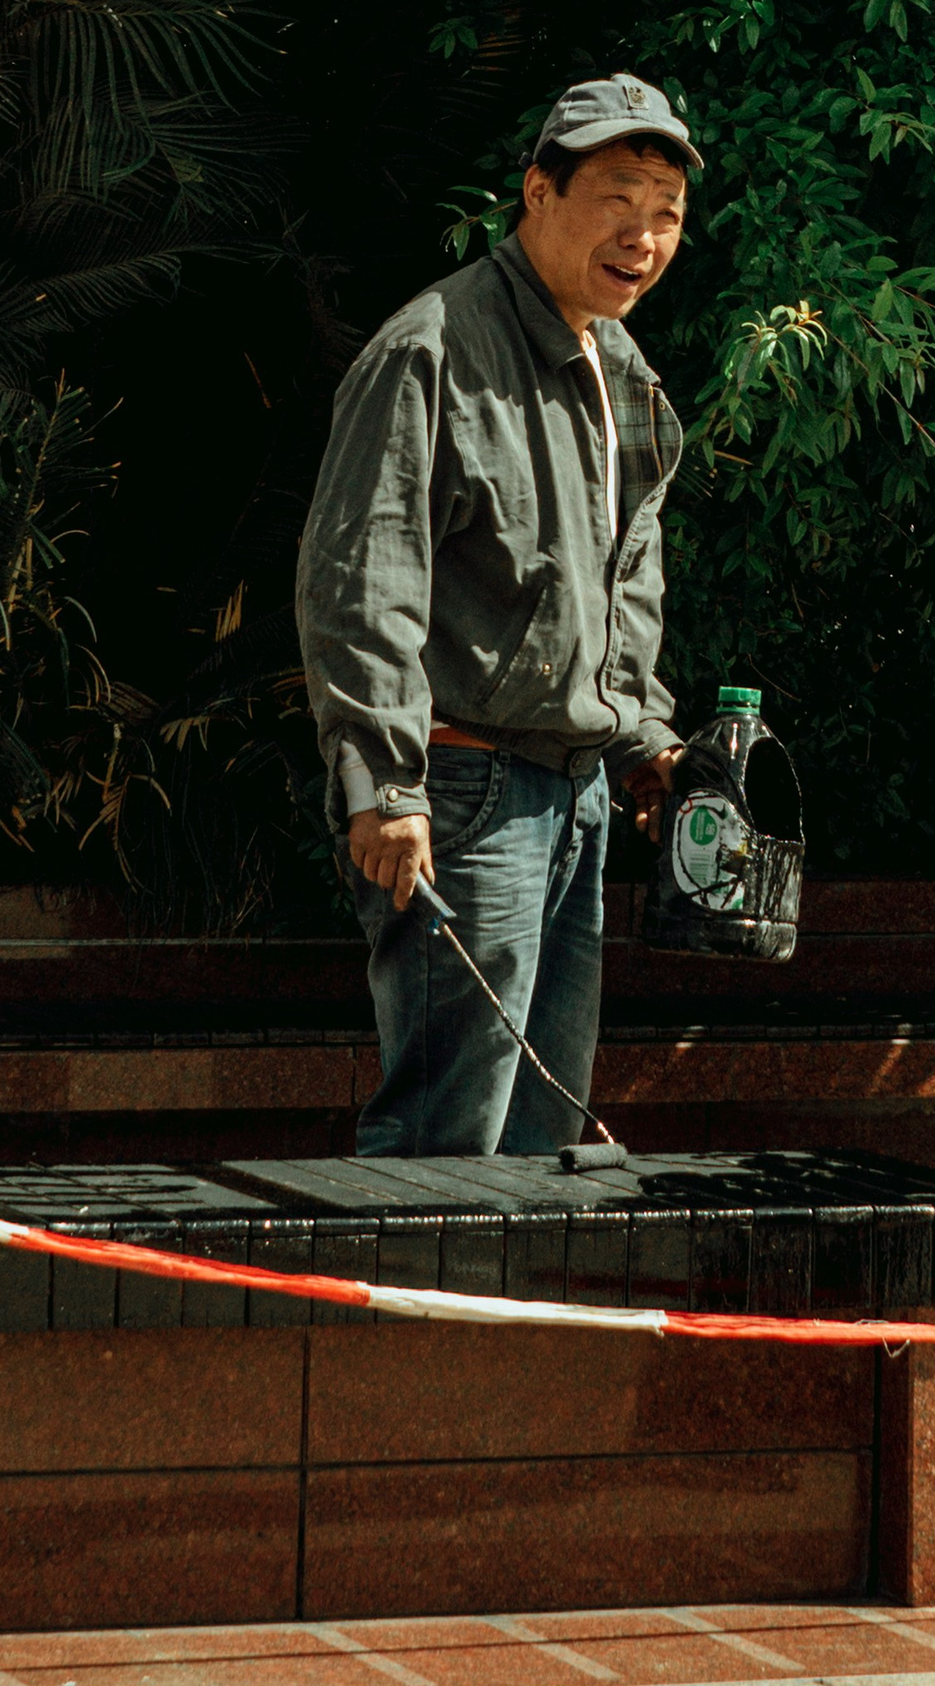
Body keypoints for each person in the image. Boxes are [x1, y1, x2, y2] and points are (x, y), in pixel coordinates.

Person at [296, 76, 697, 1155]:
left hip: (578, 797)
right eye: (620, 196)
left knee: (545, 1144)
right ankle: (400, 1331)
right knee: (444, 1135)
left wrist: (649, 739)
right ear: (536, 191)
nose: (644, 234)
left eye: (666, 209)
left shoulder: (624, 370)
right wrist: (380, 782)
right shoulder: (430, 346)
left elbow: (624, 585)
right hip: (462, 790)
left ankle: (507, 1332)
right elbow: (357, 576)